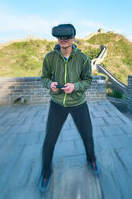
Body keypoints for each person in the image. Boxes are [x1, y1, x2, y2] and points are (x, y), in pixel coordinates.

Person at [38, 23, 100, 193]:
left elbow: (88, 80)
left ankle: (92, 159)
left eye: (67, 37)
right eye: (60, 37)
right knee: (49, 139)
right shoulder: (50, 57)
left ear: (73, 38)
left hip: (78, 103)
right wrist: (49, 84)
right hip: (57, 104)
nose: (63, 40)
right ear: (57, 39)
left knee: (87, 135)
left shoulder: (83, 58)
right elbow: (44, 77)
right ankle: (46, 171)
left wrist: (76, 86)